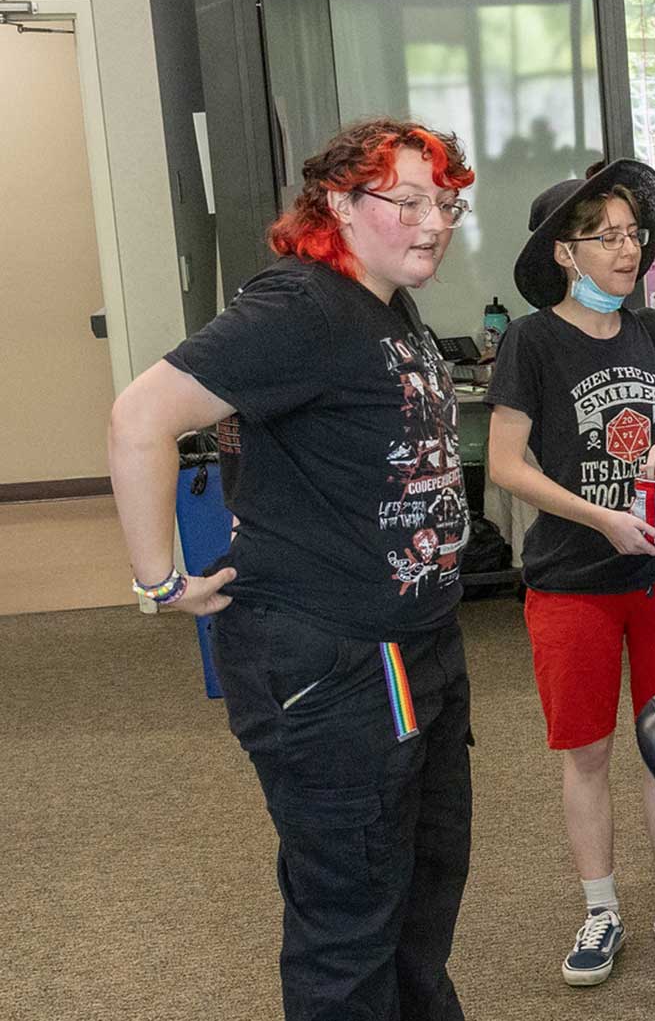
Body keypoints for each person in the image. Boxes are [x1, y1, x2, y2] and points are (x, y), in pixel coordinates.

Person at [106, 119, 477, 1018]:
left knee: (421, 893)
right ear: (343, 206)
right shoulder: (301, 306)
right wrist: (160, 581)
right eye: (409, 201)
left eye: (447, 203)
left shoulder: (386, 302)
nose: (433, 222)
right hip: (338, 662)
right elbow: (139, 417)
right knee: (350, 918)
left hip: (415, 643)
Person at [486, 159, 655, 985]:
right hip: (573, 582)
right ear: (566, 255)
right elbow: (507, 465)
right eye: (605, 236)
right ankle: (601, 909)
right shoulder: (532, 340)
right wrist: (601, 518)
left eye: (633, 232)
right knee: (585, 751)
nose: (627, 248)